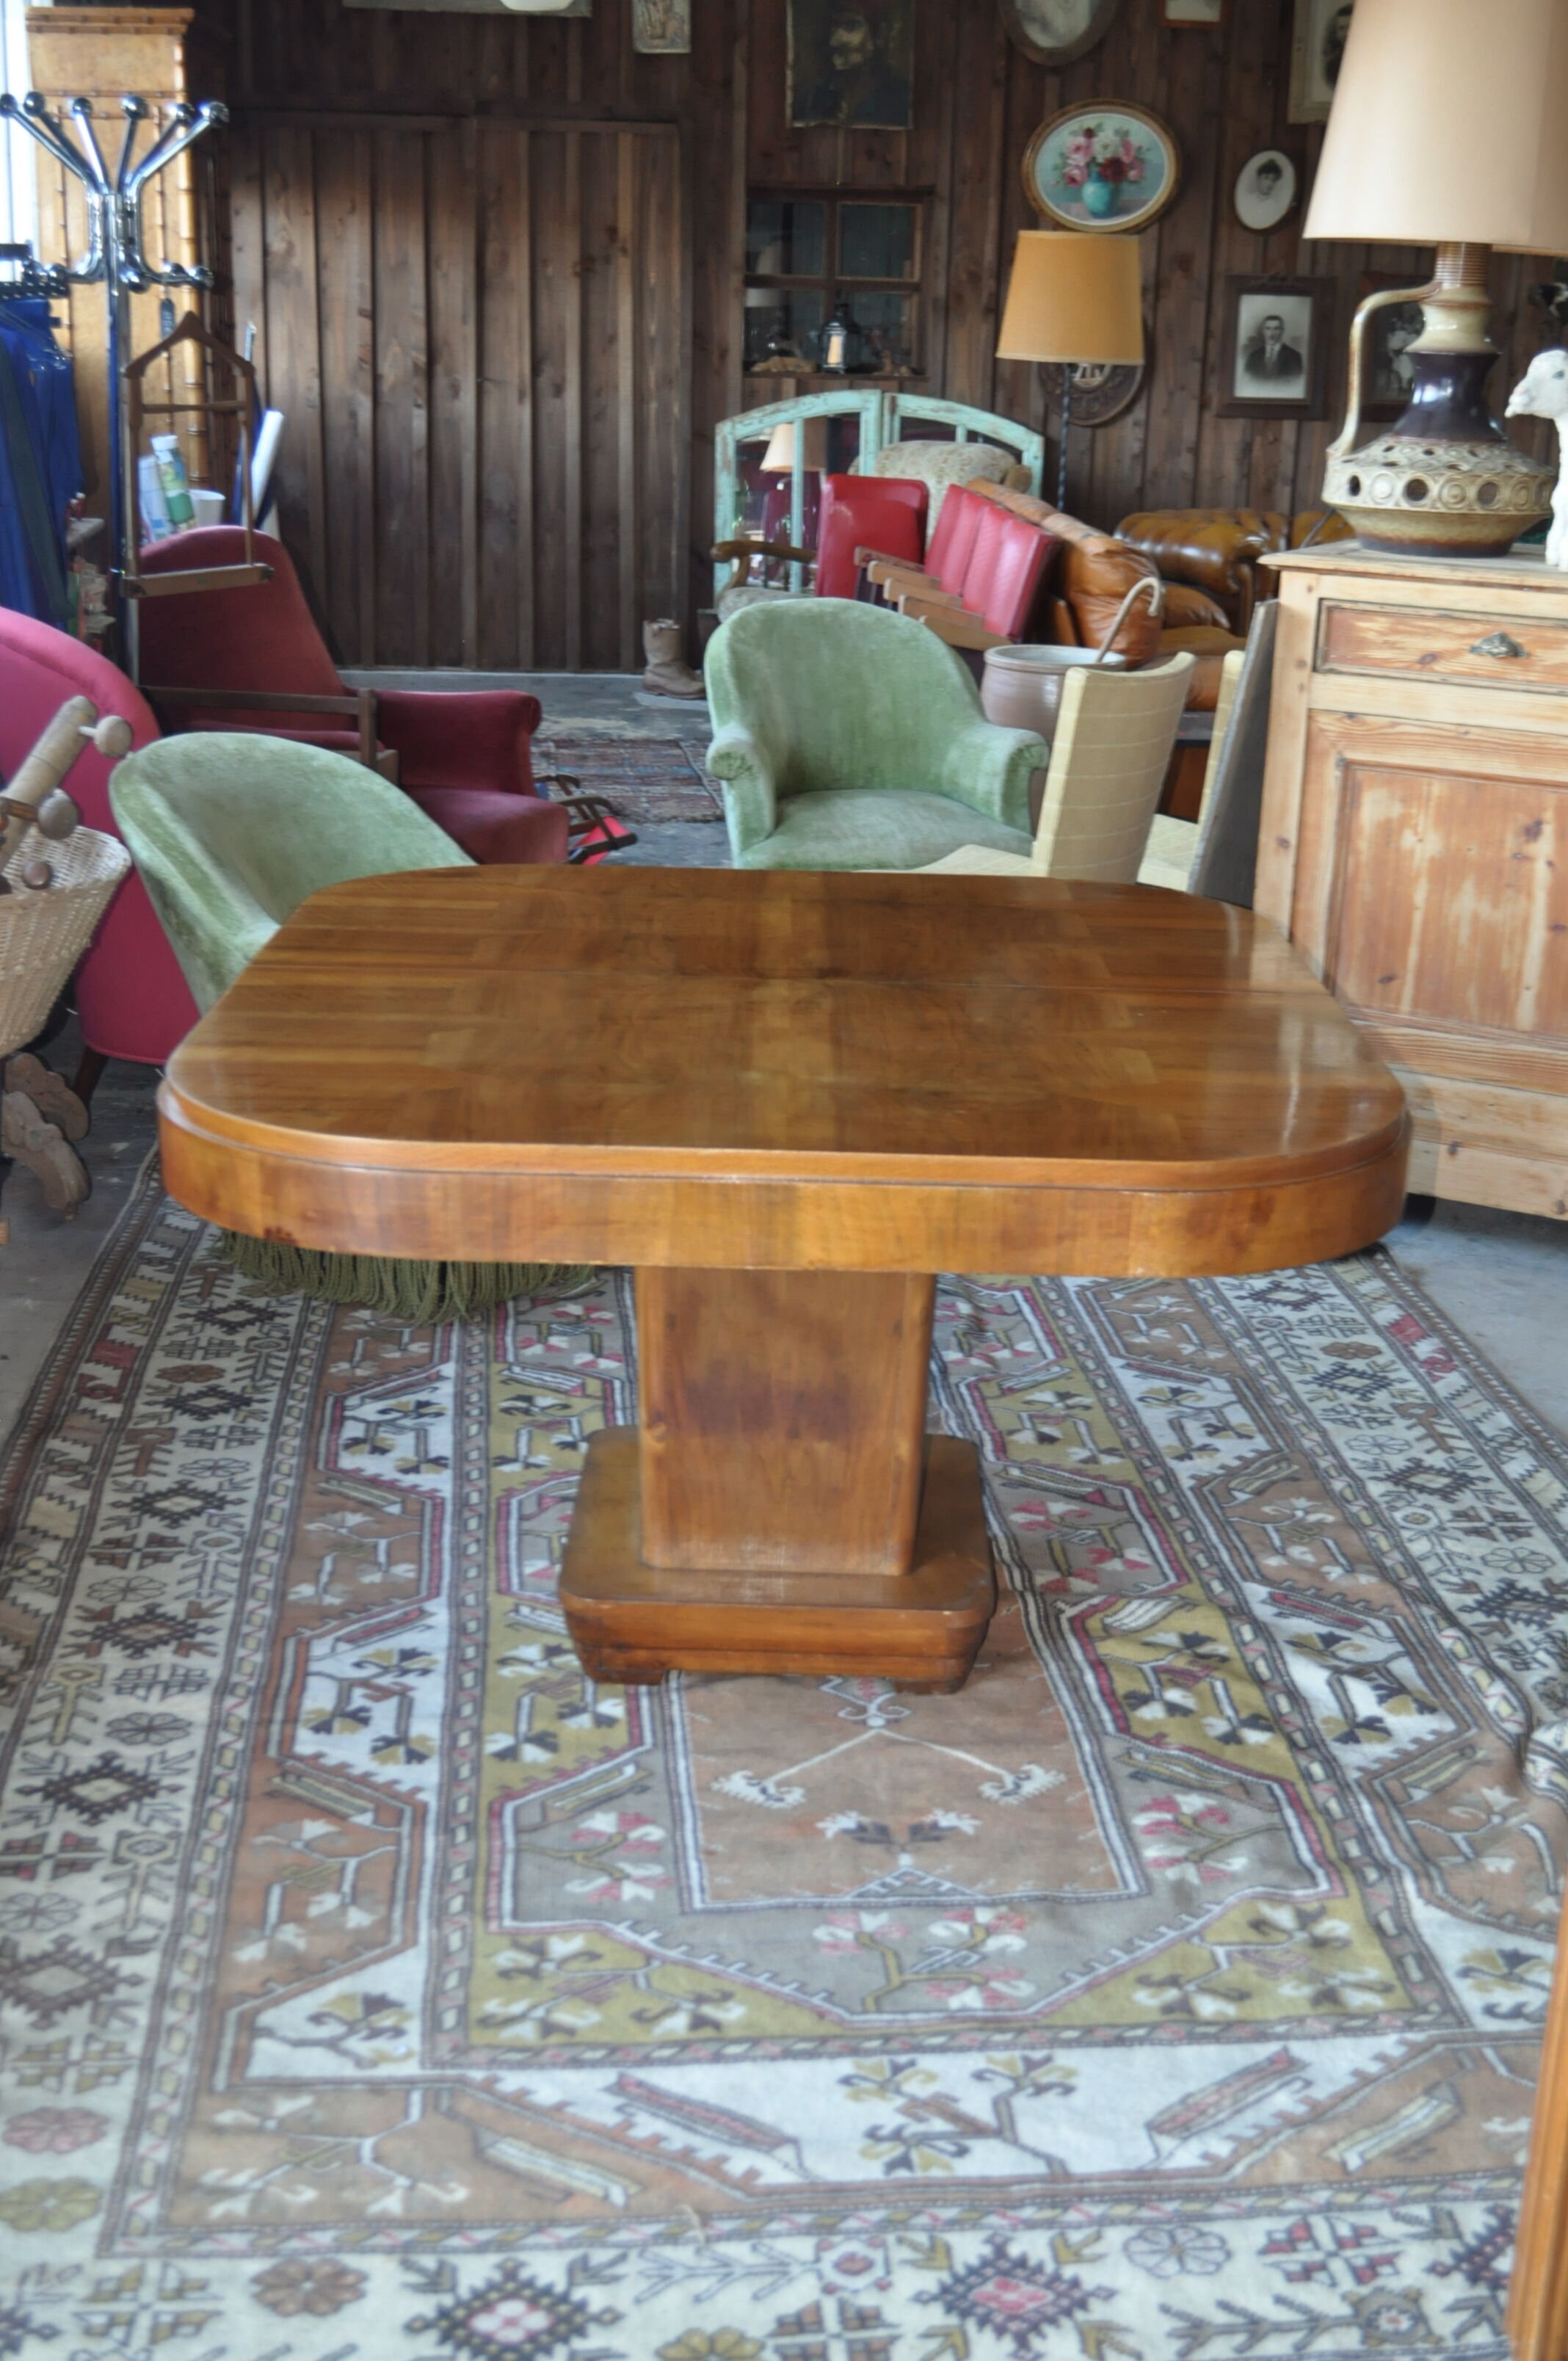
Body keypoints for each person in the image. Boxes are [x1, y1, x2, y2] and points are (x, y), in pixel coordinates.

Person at [792, 4, 911, 128]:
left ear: (879, 36)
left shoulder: (901, 99)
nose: (835, 41)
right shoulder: (815, 99)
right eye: (834, 26)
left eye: (851, 26)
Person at [1242, 311, 1304, 384]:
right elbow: (1247, 382)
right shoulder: (1253, 356)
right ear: (1263, 331)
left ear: (1282, 331)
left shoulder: (1294, 356)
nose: (1272, 333)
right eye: (1268, 329)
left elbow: (1297, 382)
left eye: (1276, 329)